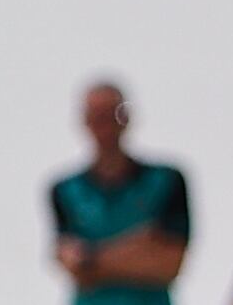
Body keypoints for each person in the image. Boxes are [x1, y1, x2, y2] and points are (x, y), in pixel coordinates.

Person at [55, 81, 193, 305]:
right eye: (97, 116)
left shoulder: (165, 181)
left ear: (126, 118)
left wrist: (92, 258)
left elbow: (170, 264)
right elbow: (71, 264)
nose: (105, 126)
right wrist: (140, 246)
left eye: (112, 115)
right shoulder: (65, 190)